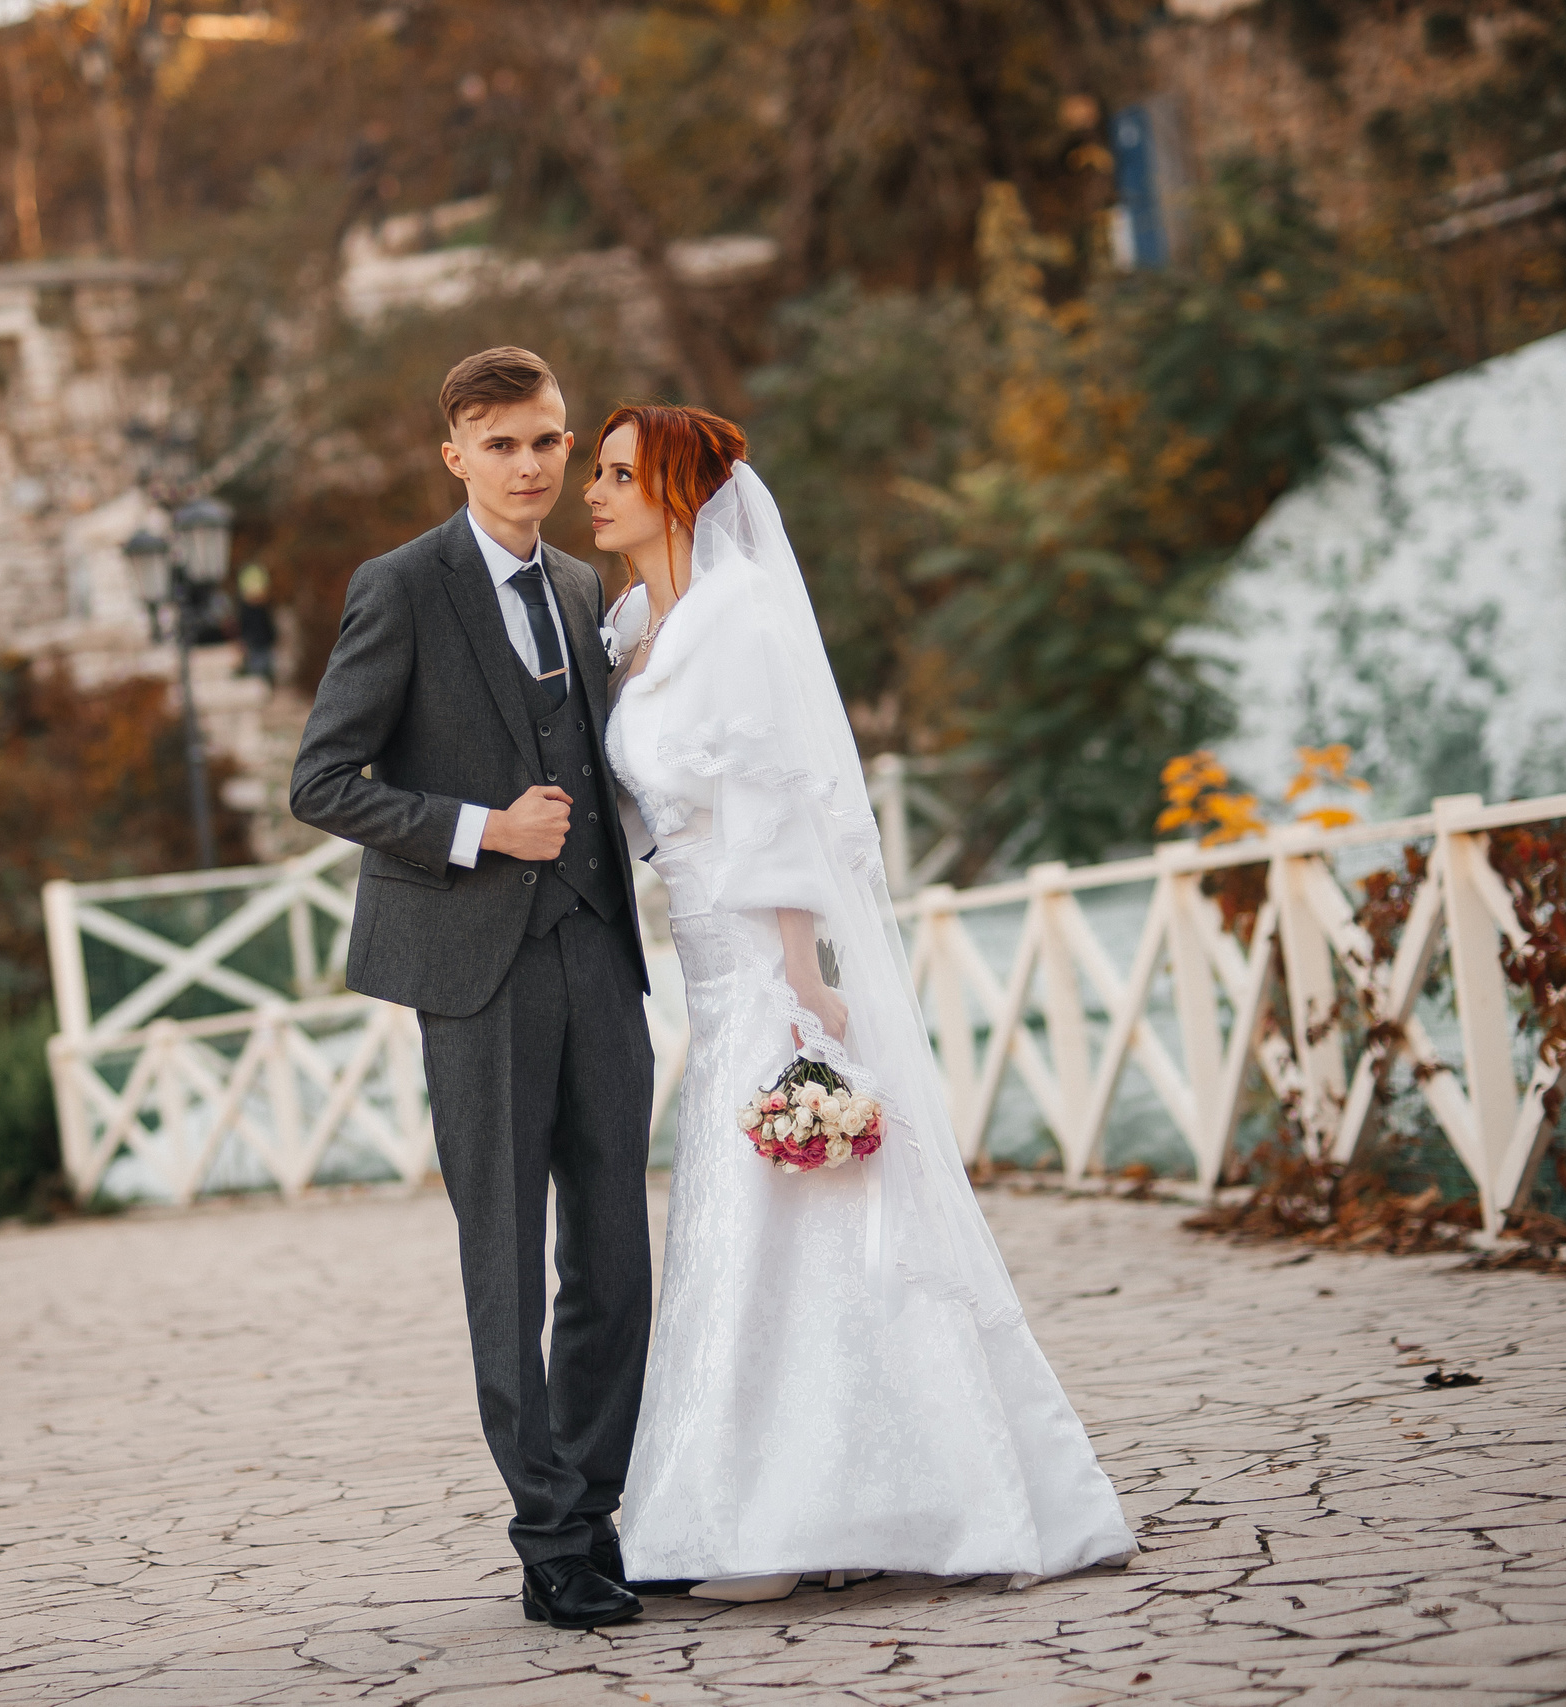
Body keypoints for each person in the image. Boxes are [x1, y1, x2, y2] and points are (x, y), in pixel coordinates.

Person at [583, 404, 1137, 1601]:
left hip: (755, 951)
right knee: (756, 1219)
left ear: (681, 493)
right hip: (695, 948)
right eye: (598, 469)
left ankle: (796, 1517)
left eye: (620, 473)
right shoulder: (639, 626)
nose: (595, 490)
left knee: (799, 1205)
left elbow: (781, 797)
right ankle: (812, 1504)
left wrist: (805, 980)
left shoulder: (735, 624)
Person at [288, 348, 654, 1631]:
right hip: (473, 970)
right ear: (456, 454)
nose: (533, 465)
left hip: (599, 953)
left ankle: (601, 1512)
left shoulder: (579, 584)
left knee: (614, 1251)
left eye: (549, 441)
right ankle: (548, 1539)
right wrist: (481, 831)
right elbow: (323, 781)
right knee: (506, 1254)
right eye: (502, 444)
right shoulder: (398, 588)